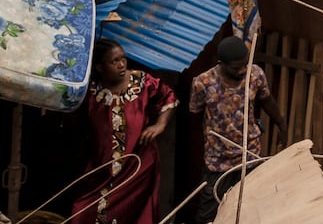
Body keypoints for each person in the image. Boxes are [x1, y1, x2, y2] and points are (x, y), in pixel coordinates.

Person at [70, 39, 177, 224]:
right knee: (82, 212)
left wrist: (160, 125)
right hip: (101, 170)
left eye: (123, 59)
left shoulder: (141, 82)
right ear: (100, 67)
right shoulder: (91, 91)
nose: (121, 65)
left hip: (138, 166)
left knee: (133, 213)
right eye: (114, 61)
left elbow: (168, 97)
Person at [188, 36, 286, 223]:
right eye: (236, 67)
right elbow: (195, 115)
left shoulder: (255, 75)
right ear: (221, 64)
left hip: (249, 155)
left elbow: (267, 101)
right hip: (217, 159)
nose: (242, 70)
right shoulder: (203, 82)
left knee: (249, 208)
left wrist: (281, 124)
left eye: (244, 64)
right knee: (210, 212)